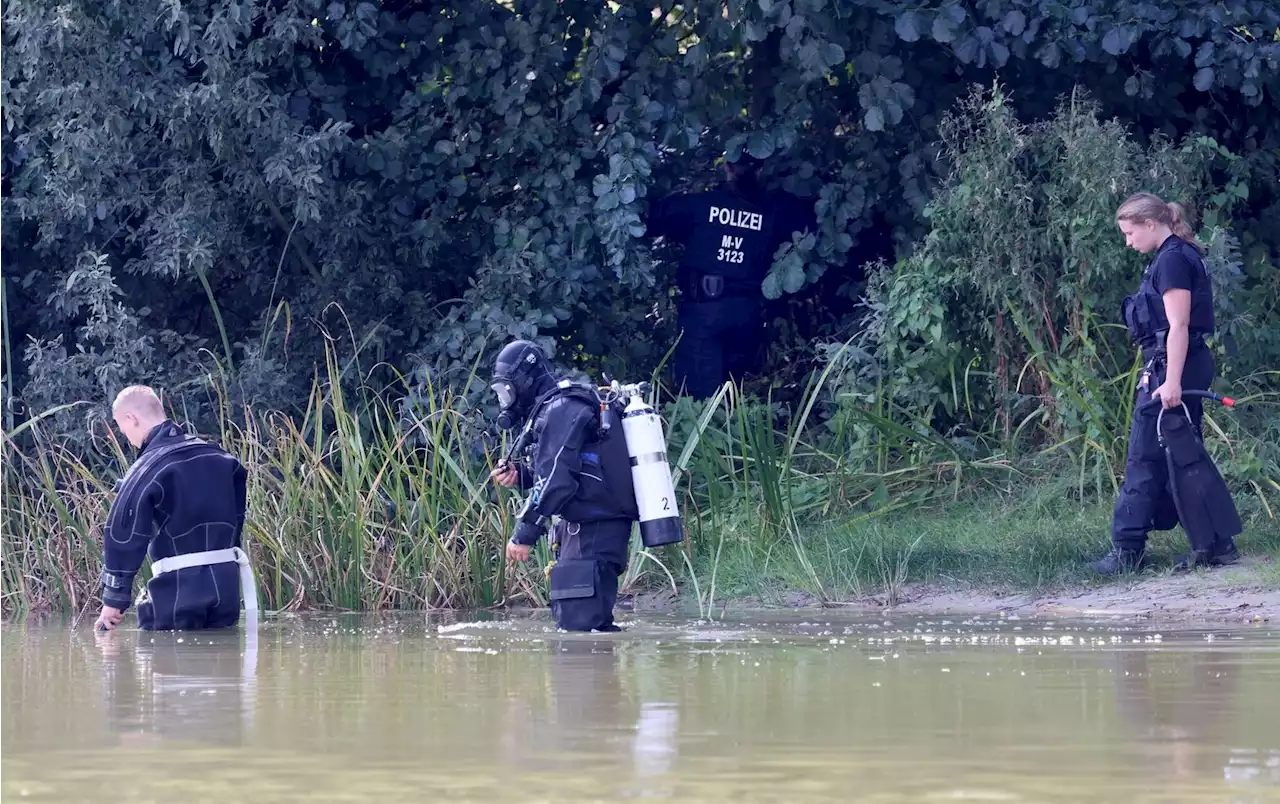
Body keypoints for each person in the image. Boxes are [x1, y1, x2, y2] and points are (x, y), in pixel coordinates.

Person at [1089, 193, 1238, 575]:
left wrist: (1169, 380)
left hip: (1176, 367)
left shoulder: (1172, 259)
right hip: (1181, 364)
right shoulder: (1180, 254)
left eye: (1129, 232)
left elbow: (1179, 326)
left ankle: (1127, 551)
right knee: (1185, 455)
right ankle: (1216, 543)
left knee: (1144, 456)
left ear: (1150, 223)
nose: (1128, 241)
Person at [487, 340, 639, 632]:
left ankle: (602, 676)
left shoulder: (562, 407)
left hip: (595, 529)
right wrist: (522, 475)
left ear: (524, 380)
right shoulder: (559, 407)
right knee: (580, 626)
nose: (505, 399)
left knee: (582, 630)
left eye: (506, 390)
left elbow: (556, 480)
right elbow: (571, 469)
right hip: (588, 529)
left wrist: (525, 532)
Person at [644, 149, 816, 398]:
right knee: (732, 398)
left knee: (698, 402)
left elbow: (649, 218)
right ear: (760, 170)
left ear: (727, 168)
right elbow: (811, 230)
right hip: (747, 315)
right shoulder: (775, 212)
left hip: (704, 313)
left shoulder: (700, 206)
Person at [95, 385, 256, 631]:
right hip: (227, 589)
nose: (124, 435)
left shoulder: (147, 468)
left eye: (121, 427)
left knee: (168, 663)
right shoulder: (222, 458)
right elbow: (237, 519)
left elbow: (124, 535)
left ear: (132, 419)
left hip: (177, 592)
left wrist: (112, 600)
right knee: (224, 664)